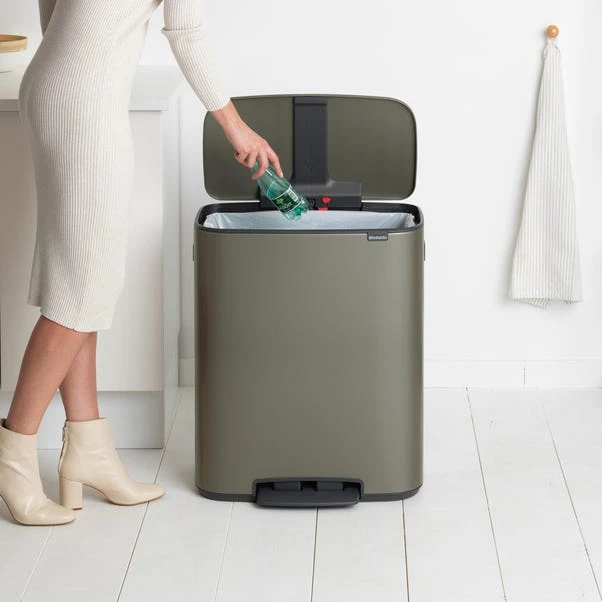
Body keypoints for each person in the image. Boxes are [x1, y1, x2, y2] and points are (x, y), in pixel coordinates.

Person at [0, 0, 284, 526]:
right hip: (84, 101)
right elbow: (186, 33)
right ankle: (12, 456)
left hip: (55, 88)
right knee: (81, 288)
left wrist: (71, 51)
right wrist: (238, 128)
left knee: (83, 280)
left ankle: (89, 447)